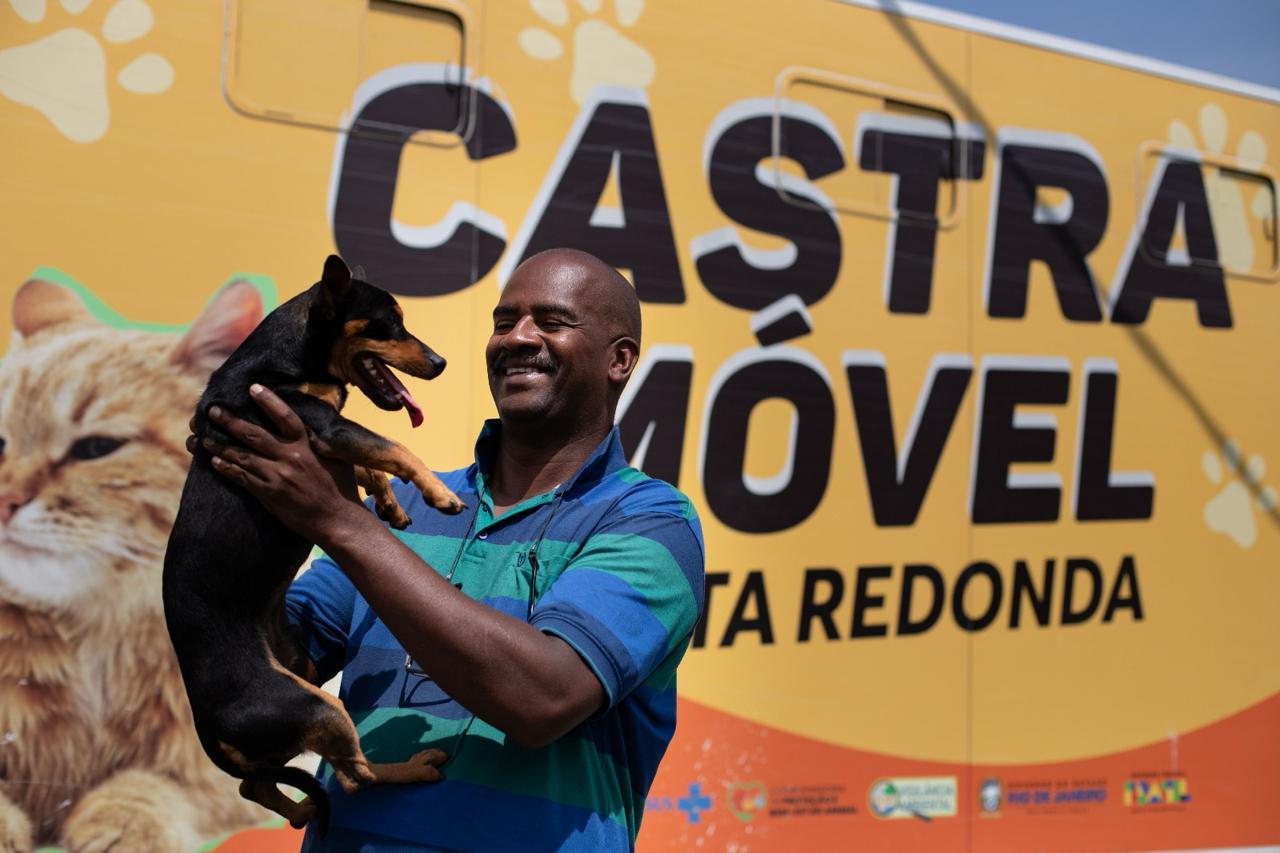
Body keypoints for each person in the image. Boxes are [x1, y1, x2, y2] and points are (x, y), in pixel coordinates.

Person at [197, 248, 706, 851]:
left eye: (551, 322)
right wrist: (244, 509)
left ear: (619, 360)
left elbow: (543, 699)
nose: (517, 338)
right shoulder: (400, 508)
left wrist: (337, 520)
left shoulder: (650, 521)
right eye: (503, 321)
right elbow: (277, 665)